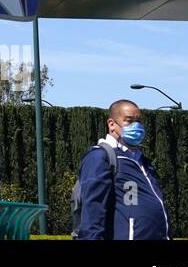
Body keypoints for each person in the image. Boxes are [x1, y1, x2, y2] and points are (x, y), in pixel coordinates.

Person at [72, 99, 171, 240]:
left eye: (139, 121)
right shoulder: (101, 156)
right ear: (112, 124)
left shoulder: (144, 162)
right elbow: (93, 209)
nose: (136, 126)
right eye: (129, 121)